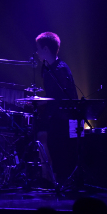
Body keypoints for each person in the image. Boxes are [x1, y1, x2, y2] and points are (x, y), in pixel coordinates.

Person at [34, 32, 78, 185]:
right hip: (58, 116)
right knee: (40, 133)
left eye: (38, 49)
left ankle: (50, 175)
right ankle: (48, 175)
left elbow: (59, 98)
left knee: (42, 135)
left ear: (46, 49)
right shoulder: (49, 69)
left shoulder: (60, 69)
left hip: (64, 119)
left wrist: (41, 104)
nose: (37, 52)